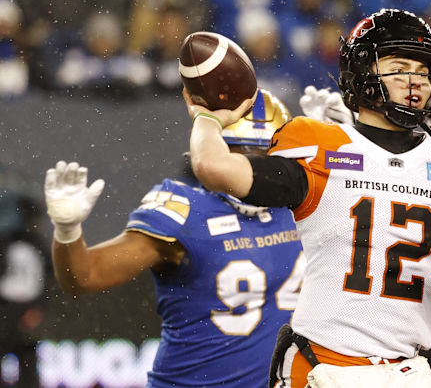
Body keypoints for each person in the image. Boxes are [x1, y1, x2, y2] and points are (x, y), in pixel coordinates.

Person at [185, 8, 431, 388]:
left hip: (406, 369)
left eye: (423, 70)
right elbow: (213, 167)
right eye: (399, 67)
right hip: (324, 365)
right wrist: (207, 117)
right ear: (364, 70)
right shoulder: (321, 146)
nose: (415, 81)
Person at [44, 90, 306, 388]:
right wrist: (67, 231)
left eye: (265, 157)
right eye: (240, 153)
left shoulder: (306, 205)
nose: (253, 169)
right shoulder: (186, 210)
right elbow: (84, 276)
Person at [0, 164, 49, 388]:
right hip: (8, 306)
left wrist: (38, 306)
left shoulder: (35, 243)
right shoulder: (12, 242)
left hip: (24, 307)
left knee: (27, 356)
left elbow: (50, 277)